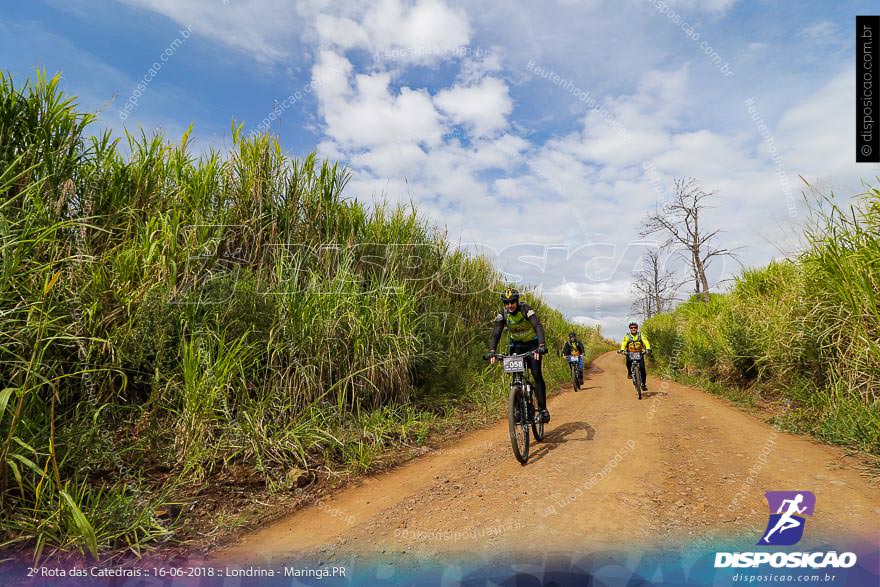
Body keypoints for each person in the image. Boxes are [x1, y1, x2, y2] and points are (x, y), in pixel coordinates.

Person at [488, 288, 550, 423]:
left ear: (517, 301)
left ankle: (543, 409)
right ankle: (517, 408)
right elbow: (495, 333)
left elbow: (538, 326)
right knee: (515, 375)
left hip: (533, 345)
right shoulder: (503, 314)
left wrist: (541, 346)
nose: (509, 305)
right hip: (516, 346)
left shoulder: (525, 309)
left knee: (536, 374)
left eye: (512, 302)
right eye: (506, 303)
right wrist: (492, 351)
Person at [618, 322, 651, 390]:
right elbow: (624, 343)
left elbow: (646, 341)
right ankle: (630, 373)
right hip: (630, 353)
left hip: (639, 353)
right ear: (630, 329)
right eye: (632, 328)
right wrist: (622, 350)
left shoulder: (641, 335)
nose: (633, 329)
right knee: (628, 363)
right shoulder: (627, 336)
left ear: (637, 328)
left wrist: (648, 349)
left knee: (642, 369)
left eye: (635, 327)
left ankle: (643, 384)